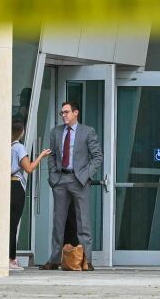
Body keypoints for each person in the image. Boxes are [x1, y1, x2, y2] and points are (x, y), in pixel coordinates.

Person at [40, 102, 103, 271]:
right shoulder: (56, 132)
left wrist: (85, 175)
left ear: (76, 113)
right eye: (62, 113)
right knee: (58, 222)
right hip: (60, 180)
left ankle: (87, 260)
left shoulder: (87, 132)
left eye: (67, 112)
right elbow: (52, 155)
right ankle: (54, 259)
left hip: (79, 180)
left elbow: (97, 157)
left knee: (83, 222)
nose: (64, 115)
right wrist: (53, 176)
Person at [10, 121, 51, 271]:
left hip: (5, 187)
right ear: (20, 132)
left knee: (8, 223)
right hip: (15, 186)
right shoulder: (19, 147)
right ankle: (11, 259)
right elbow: (28, 168)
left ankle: (7, 257)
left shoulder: (6, 147)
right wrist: (41, 156)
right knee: (13, 224)